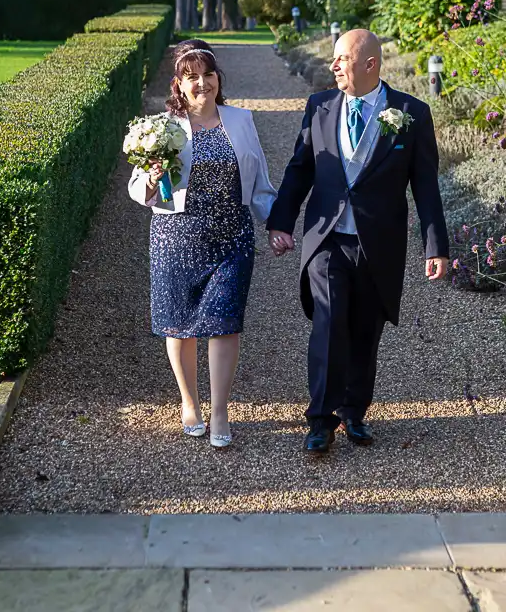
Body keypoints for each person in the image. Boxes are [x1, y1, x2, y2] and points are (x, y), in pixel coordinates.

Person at [267, 29, 449, 453]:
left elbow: (425, 186)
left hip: (377, 242)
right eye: (333, 58)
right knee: (329, 323)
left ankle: (354, 412)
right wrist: (282, 221)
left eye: (342, 58)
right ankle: (320, 419)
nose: (333, 66)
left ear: (370, 64)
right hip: (326, 238)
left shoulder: (412, 113)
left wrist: (435, 245)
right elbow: (300, 169)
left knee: (366, 330)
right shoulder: (320, 107)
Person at [129, 39, 276, 448]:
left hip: (232, 236)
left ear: (217, 79)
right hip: (177, 236)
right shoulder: (161, 128)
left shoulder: (242, 120)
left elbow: (260, 182)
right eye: (191, 77)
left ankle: (221, 408)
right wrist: (149, 174)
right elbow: (142, 193)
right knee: (180, 323)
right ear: (179, 83)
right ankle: (189, 401)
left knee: (225, 323)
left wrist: (277, 224)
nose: (202, 84)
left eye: (207, 75)